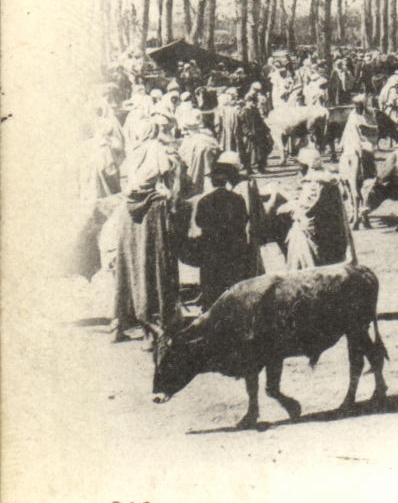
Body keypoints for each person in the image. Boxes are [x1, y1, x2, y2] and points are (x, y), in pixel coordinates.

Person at [110, 114, 181, 346]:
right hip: (152, 212)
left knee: (130, 265)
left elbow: (127, 182)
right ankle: (156, 329)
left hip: (130, 214)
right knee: (156, 265)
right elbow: (162, 176)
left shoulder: (133, 153)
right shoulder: (156, 149)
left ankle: (121, 322)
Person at [187, 153, 261, 310]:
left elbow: (199, 222)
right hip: (234, 249)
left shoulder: (205, 201)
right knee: (233, 287)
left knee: (212, 287)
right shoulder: (237, 198)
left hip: (211, 250)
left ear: (213, 182)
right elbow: (244, 219)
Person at [272, 147, 355, 269]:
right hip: (330, 228)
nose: (299, 168)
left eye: (301, 165)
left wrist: (286, 207)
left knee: (298, 243)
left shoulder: (315, 182)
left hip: (316, 232)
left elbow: (306, 207)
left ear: (307, 165)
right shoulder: (326, 177)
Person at [337, 95, 380, 228]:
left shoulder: (368, 118)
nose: (357, 107)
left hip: (359, 153)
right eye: (356, 105)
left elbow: (372, 136)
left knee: (361, 187)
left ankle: (361, 216)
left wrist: (365, 145)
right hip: (353, 151)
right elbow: (348, 134)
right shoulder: (354, 116)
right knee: (353, 186)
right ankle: (356, 216)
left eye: (359, 105)